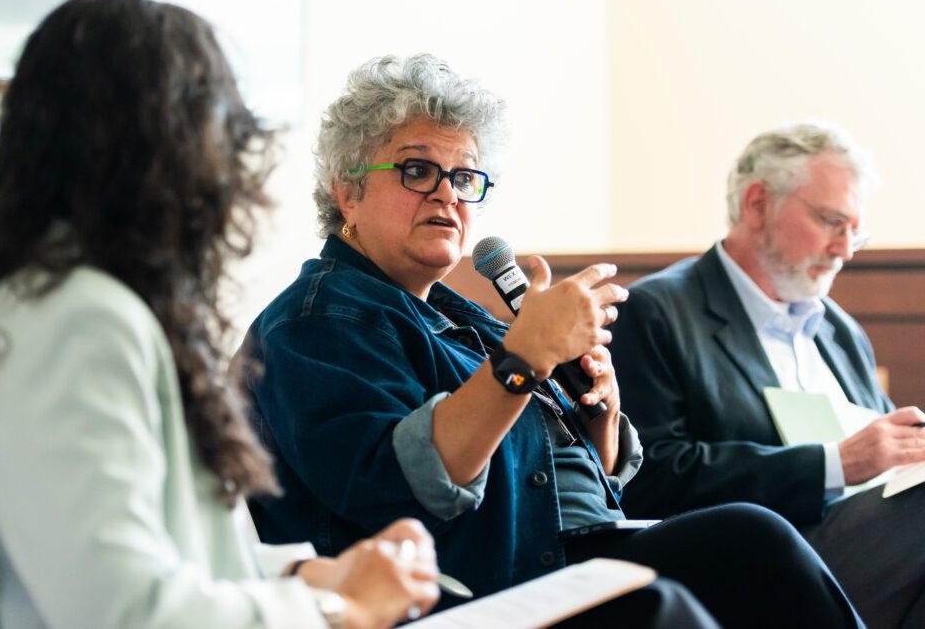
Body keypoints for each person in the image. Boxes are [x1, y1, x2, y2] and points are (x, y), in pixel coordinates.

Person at [243, 54, 864, 628]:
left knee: (754, 541)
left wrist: (601, 412)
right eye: (417, 170)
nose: (446, 194)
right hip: (476, 590)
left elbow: (594, 478)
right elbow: (399, 492)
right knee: (687, 587)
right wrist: (523, 359)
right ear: (346, 188)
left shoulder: (464, 316)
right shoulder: (315, 322)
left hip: (575, 550)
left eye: (464, 176)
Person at [0, 0, 441, 629]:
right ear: (170, 153)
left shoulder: (41, 305)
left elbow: (153, 563)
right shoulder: (79, 325)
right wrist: (336, 611)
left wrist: (310, 574)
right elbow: (126, 612)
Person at [609, 121, 925, 629]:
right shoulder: (656, 311)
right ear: (758, 204)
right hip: (753, 565)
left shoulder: (839, 330)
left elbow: (886, 461)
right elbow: (649, 477)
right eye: (830, 221)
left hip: (869, 556)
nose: (845, 249)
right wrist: (833, 464)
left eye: (855, 231)